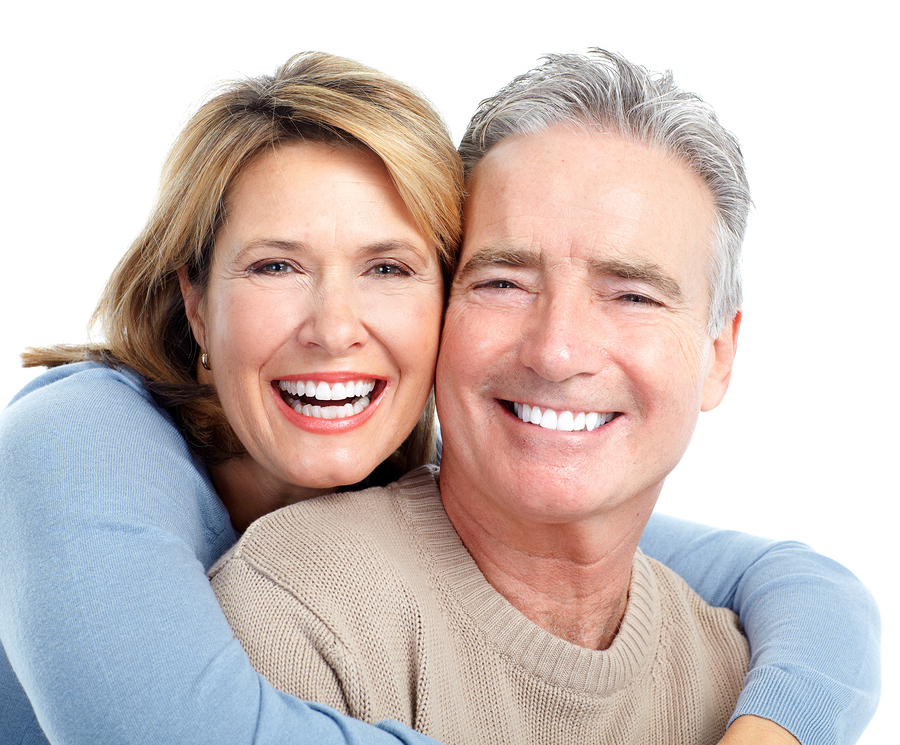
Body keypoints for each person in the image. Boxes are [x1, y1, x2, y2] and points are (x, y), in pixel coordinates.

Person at [0, 51, 878, 745]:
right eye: (276, 265)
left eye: (388, 268)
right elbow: (164, 730)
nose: (335, 326)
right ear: (195, 298)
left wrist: (776, 721)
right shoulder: (79, 437)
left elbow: (799, 583)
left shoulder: (406, 464)